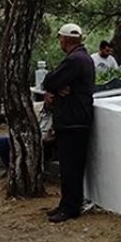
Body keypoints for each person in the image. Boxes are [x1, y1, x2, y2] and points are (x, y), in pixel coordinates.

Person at [42, 23, 96, 223]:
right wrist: (58, 88)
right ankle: (67, 204)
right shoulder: (83, 58)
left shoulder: (74, 60)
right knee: (68, 166)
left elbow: (49, 81)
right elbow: (56, 83)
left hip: (73, 121)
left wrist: (54, 87)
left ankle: (70, 207)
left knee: (71, 167)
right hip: (76, 120)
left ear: (64, 39)